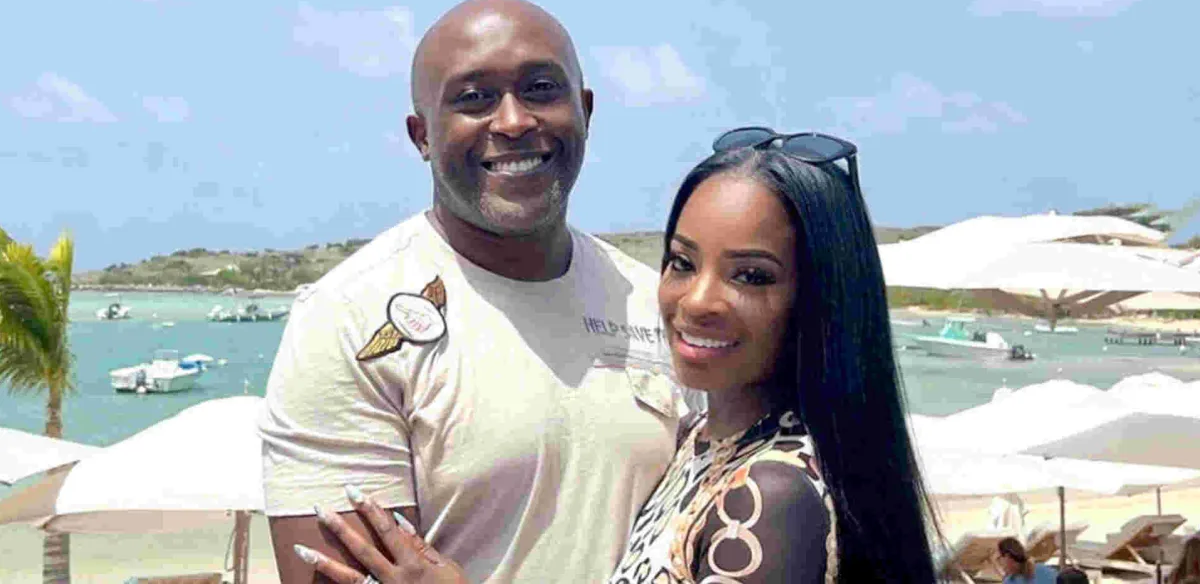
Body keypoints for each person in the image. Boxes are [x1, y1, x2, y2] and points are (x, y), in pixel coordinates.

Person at [298, 129, 943, 582]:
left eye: (751, 276)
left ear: (820, 299)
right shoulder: (703, 443)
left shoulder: (768, 497)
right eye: (682, 263)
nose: (697, 301)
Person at [258, 0, 695, 582]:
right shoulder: (347, 320)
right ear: (422, 136)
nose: (513, 121)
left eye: (541, 88)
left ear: (586, 111)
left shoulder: (656, 301)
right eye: (473, 98)